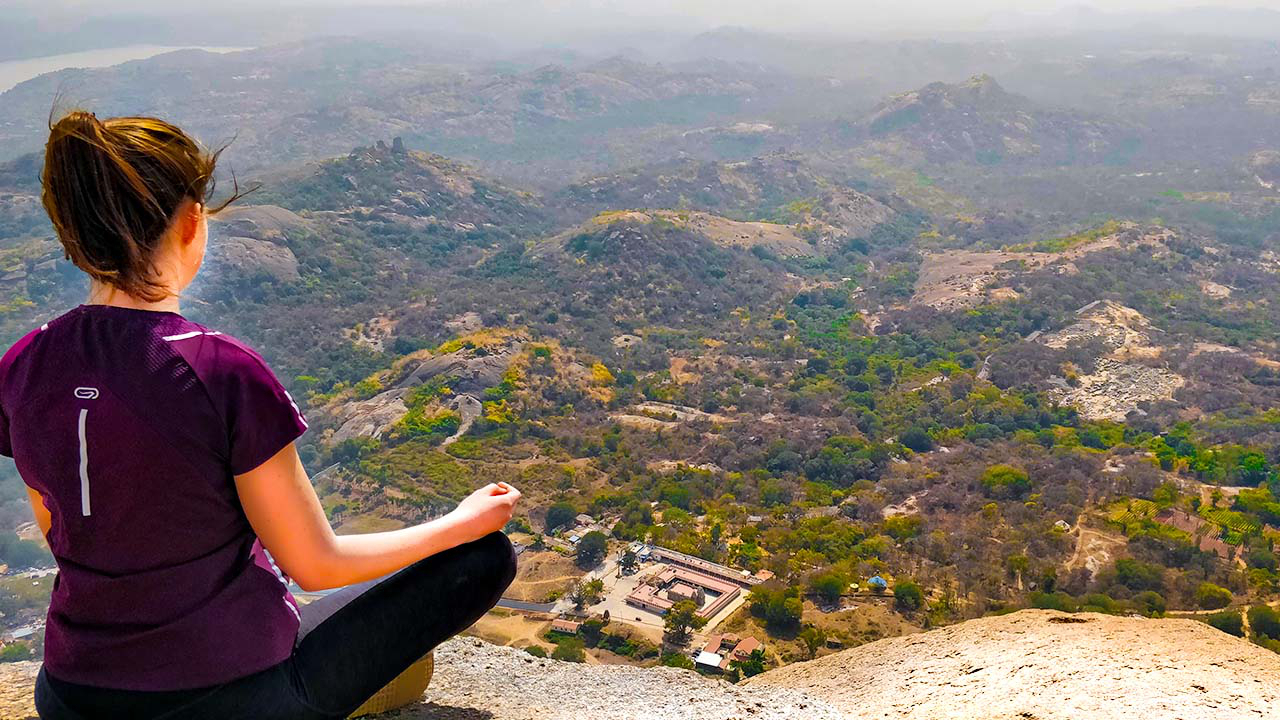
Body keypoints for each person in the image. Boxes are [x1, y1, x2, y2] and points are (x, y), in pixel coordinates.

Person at [1, 110, 521, 719]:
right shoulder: (218, 369)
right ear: (192, 222)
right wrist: (461, 522)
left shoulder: (23, 363)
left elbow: (63, 533)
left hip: (69, 696)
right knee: (483, 559)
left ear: (73, 238)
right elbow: (316, 565)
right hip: (230, 699)